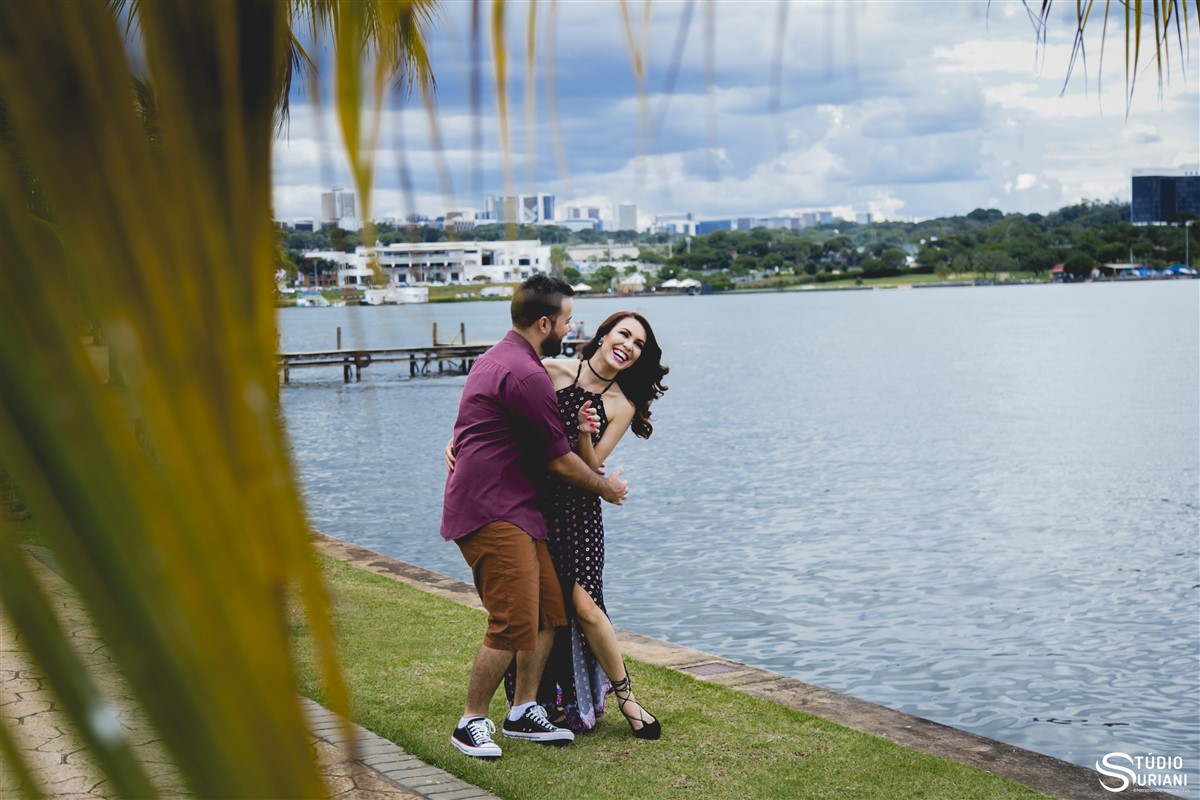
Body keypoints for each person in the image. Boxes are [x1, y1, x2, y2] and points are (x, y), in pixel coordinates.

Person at [447, 310, 669, 740]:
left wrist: (585, 434)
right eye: (624, 334)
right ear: (603, 335)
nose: (629, 346)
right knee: (544, 608)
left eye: (639, 344)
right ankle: (536, 705)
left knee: (585, 606)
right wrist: (458, 440)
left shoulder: (621, 404)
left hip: (579, 511)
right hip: (531, 502)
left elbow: (591, 468)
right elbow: (500, 411)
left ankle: (627, 698)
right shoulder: (550, 371)